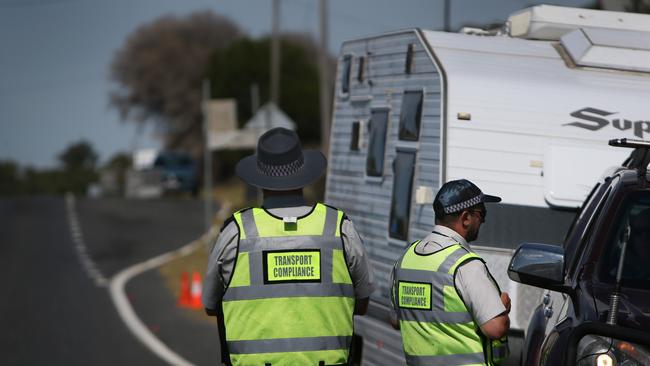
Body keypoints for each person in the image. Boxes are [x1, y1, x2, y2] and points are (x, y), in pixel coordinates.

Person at [202, 127, 375, 366]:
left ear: (260, 178)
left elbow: (211, 306)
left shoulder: (236, 232)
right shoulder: (338, 227)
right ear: (303, 174)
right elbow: (362, 302)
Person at [390, 179, 510, 366]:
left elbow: (396, 320)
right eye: (481, 213)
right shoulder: (465, 265)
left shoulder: (405, 260)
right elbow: (495, 329)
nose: (483, 220)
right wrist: (502, 308)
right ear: (466, 218)